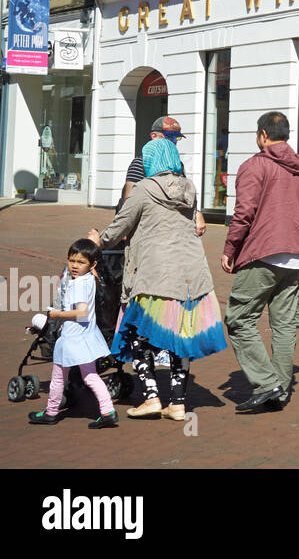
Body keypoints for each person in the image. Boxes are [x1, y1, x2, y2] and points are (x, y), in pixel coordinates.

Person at [92, 139, 227, 421]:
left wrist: (98, 241)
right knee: (181, 337)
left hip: (156, 274)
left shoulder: (144, 188)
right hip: (191, 275)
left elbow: (121, 224)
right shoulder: (189, 188)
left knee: (138, 334)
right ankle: (178, 404)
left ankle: (152, 397)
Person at [222, 112, 299, 412]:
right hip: (293, 254)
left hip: (262, 251)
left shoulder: (255, 165)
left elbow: (243, 213)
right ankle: (279, 389)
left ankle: (266, 383)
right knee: (285, 324)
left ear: (263, 135)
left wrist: (230, 248)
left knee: (239, 318)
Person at [27, 238, 118, 428]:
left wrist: (56, 314)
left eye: (80, 262)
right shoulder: (89, 278)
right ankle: (108, 411)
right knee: (91, 376)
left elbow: (82, 312)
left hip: (72, 338)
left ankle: (51, 412)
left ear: (92, 264)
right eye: (71, 260)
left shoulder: (77, 284)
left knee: (59, 377)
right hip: (86, 337)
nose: (74, 266)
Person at [120, 115, 207, 238]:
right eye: (170, 137)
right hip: (147, 229)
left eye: (177, 137)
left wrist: (197, 213)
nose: (175, 141)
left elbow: (184, 195)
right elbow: (129, 201)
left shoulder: (177, 164)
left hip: (170, 228)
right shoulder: (141, 162)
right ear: (154, 136)